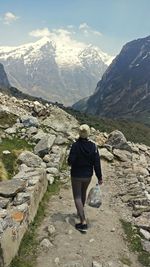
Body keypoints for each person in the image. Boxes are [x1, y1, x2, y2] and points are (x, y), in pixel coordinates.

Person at [68, 124, 103, 232]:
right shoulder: (93, 146)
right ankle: (80, 211)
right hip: (88, 175)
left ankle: (83, 221)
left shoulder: (75, 146)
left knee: (77, 196)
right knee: (83, 193)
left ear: (79, 133)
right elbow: (97, 163)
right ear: (88, 134)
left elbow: (70, 161)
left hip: (76, 175)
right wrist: (99, 177)